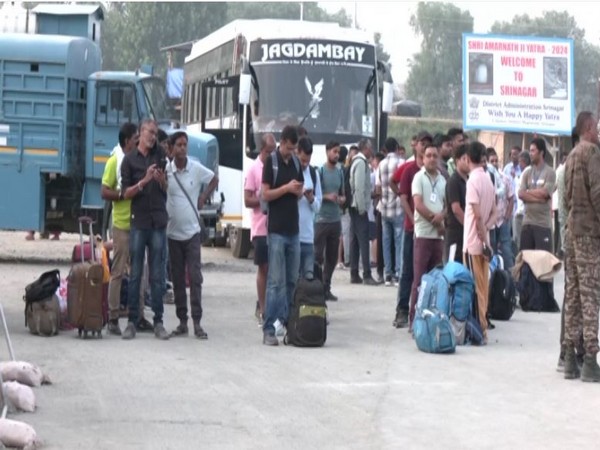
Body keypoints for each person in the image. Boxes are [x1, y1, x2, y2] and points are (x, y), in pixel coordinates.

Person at [120, 119, 170, 340]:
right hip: (139, 222)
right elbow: (125, 193)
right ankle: (132, 321)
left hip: (158, 221)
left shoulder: (159, 155)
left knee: (158, 275)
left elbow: (166, 187)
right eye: (150, 132)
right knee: (136, 274)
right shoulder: (129, 161)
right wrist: (144, 181)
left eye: (155, 133)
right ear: (140, 133)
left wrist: (160, 180)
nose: (153, 136)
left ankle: (159, 321)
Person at [100, 122, 152, 335]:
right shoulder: (114, 161)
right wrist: (122, 195)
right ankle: (113, 318)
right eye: (135, 137)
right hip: (122, 225)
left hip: (138, 222)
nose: (139, 140)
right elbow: (104, 191)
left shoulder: (140, 160)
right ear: (127, 142)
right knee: (118, 272)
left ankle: (138, 315)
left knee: (139, 271)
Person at [166, 131, 218, 339]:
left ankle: (197, 322)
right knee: (178, 279)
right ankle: (182, 322)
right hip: (172, 234)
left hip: (192, 234)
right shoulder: (166, 171)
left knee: (195, 278)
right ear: (171, 148)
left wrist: (204, 196)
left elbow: (214, 178)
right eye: (178, 145)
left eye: (184, 145)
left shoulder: (195, 168)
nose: (182, 148)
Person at [563, 111, 600, 382]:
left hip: (571, 234)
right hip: (589, 235)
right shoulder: (592, 153)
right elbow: (598, 193)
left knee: (573, 296)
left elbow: (565, 198)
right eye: (596, 127)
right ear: (588, 127)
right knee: (590, 297)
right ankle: (589, 360)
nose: (598, 132)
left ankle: (568, 360)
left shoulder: (571, 155)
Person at [261, 125, 304, 346]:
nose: (292, 152)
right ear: (282, 142)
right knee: (275, 282)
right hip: (276, 230)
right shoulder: (272, 162)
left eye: (294, 148)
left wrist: (298, 190)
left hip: (294, 230)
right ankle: (268, 328)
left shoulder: (296, 162)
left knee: (291, 282)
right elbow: (264, 193)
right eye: (289, 147)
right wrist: (286, 189)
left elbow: (298, 191)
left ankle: (290, 325)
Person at [392, 131, 431, 328]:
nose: (424, 147)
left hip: (430, 232)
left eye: (428, 144)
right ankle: (402, 310)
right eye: (421, 143)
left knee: (426, 272)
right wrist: (413, 219)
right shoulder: (409, 170)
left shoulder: (435, 172)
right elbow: (403, 197)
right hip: (411, 229)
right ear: (415, 146)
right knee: (407, 271)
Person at [408, 143, 447, 326]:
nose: (432, 159)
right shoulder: (418, 178)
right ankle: (413, 319)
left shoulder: (442, 180)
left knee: (436, 280)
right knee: (419, 280)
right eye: (428, 155)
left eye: (434, 155)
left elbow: (447, 206)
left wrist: (442, 218)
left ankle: (431, 319)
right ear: (423, 158)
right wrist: (436, 219)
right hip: (423, 235)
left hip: (438, 237)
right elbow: (418, 204)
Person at [463, 141, 496, 343]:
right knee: (483, 288)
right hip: (485, 244)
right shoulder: (489, 179)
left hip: (473, 243)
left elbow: (476, 217)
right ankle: (483, 328)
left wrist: (482, 236)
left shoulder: (472, 181)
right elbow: (494, 213)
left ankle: (479, 330)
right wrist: (487, 234)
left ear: (467, 159)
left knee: (475, 289)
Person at [244, 133, 276, 325]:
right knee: (264, 267)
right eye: (270, 151)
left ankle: (271, 306)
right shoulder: (254, 170)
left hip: (277, 226)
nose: (273, 155)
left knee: (276, 269)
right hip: (260, 227)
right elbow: (247, 200)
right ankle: (262, 308)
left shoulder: (275, 167)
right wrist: (265, 198)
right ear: (263, 150)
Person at [315, 141, 345, 301]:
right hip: (321, 219)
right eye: (334, 151)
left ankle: (326, 287)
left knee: (332, 258)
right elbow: (315, 194)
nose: (336, 155)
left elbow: (343, 193)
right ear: (327, 152)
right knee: (318, 255)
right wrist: (327, 196)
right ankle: (317, 287)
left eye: (338, 152)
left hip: (335, 219)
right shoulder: (320, 171)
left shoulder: (340, 172)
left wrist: (341, 199)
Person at [348, 138, 379, 285]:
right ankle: (367, 274)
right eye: (370, 148)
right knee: (363, 240)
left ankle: (354, 273)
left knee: (354, 241)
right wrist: (362, 208)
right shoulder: (361, 163)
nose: (371, 150)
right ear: (365, 148)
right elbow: (359, 187)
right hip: (359, 207)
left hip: (354, 206)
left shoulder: (357, 162)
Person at [518, 138, 556, 252]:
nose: (530, 154)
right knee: (525, 264)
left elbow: (545, 193)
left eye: (533, 151)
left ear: (541, 152)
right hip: (527, 223)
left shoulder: (550, 172)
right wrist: (537, 197)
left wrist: (528, 192)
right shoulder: (527, 172)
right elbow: (520, 194)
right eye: (530, 151)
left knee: (542, 265)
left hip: (543, 225)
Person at [377, 137, 405, 287]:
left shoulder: (380, 164)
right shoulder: (401, 163)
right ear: (397, 147)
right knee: (399, 242)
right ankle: (398, 274)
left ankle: (388, 275)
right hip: (398, 207)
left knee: (386, 242)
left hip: (384, 207)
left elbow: (378, 186)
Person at [297, 136, 322, 278]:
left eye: (308, 160)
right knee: (293, 278)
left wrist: (311, 199)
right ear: (297, 152)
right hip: (293, 235)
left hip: (308, 237)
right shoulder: (291, 171)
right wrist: (298, 195)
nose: (305, 164)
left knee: (308, 278)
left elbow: (318, 207)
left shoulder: (313, 174)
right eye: (303, 160)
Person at [487, 148, 515, 269]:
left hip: (503, 221)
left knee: (507, 251)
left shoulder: (505, 178)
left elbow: (511, 198)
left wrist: (507, 217)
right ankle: (494, 278)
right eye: (491, 161)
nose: (494, 163)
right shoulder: (486, 179)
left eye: (496, 160)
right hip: (491, 223)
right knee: (491, 250)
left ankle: (511, 280)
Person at [444, 143, 469, 262]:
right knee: (453, 270)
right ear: (457, 160)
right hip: (455, 234)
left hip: (467, 236)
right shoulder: (453, 181)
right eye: (465, 159)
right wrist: (470, 227)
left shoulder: (470, 180)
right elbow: (456, 209)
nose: (468, 162)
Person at [513, 151, 530, 250]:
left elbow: (525, 193)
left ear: (524, 161)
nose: (519, 164)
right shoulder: (526, 173)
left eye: (520, 161)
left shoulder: (526, 173)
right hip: (523, 211)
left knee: (519, 241)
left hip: (521, 213)